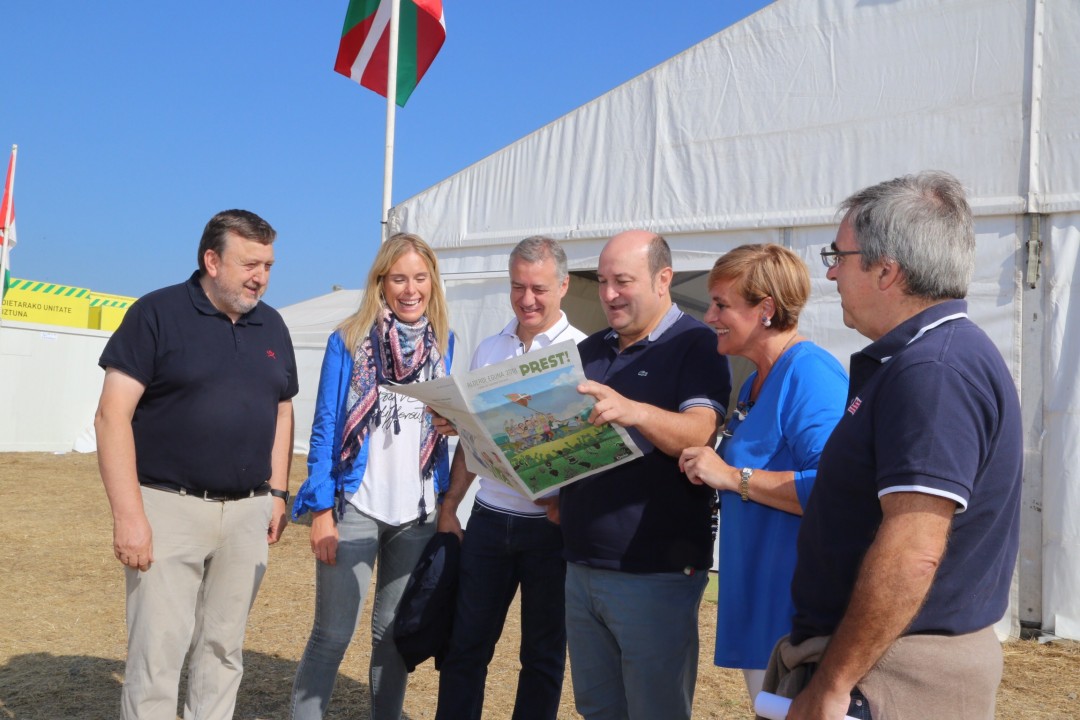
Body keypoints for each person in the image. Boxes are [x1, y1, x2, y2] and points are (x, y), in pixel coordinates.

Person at [768, 172, 1023, 720]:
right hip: (885, 663)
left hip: (892, 674)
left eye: (838, 256)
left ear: (886, 270)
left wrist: (832, 684)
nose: (830, 272)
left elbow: (913, 551)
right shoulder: (933, 358)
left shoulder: (933, 370)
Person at [95, 209, 297, 720]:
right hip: (168, 510)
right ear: (212, 260)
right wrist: (129, 516)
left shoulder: (272, 324)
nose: (261, 277)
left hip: (247, 515)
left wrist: (277, 492)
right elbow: (111, 415)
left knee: (223, 652)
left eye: (268, 266)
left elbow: (283, 408)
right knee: (156, 657)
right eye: (250, 264)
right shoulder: (155, 314)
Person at [557, 230, 732, 720]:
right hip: (582, 563)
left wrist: (634, 411)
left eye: (623, 281)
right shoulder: (589, 350)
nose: (609, 293)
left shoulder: (698, 344)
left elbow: (700, 432)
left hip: (654, 572)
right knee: (598, 709)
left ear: (663, 279)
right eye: (603, 281)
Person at [290, 233, 455, 720]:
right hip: (355, 506)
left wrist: (451, 426)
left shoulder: (443, 342)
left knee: (392, 636)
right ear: (381, 282)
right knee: (332, 635)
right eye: (399, 278)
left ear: (432, 282)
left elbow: (447, 424)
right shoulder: (347, 340)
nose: (410, 289)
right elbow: (325, 428)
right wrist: (322, 510)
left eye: (420, 278)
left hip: (417, 512)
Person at [678, 244, 848, 704]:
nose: (710, 316)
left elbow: (836, 490)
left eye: (722, 305)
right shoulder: (756, 380)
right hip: (762, 603)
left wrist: (733, 477)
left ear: (766, 309)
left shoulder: (810, 375)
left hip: (793, 615)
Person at [434, 236, 588, 720]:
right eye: (518, 287)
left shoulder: (584, 351)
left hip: (551, 528)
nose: (527, 299)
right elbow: (470, 440)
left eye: (539, 288)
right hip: (487, 519)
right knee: (465, 647)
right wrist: (449, 506)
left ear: (563, 286)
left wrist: (567, 503)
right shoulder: (488, 348)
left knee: (542, 656)